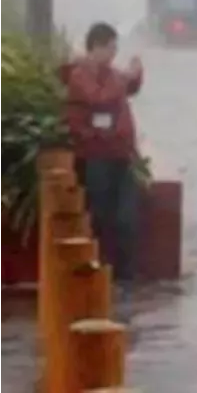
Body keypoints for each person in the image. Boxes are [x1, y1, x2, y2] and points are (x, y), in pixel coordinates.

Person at [61, 22, 145, 283]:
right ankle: (102, 271)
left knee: (127, 217)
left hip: (121, 154)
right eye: (110, 48)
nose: (113, 53)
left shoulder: (111, 74)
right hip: (96, 155)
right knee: (101, 215)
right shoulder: (80, 75)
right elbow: (100, 98)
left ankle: (125, 274)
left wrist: (136, 73)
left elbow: (128, 86)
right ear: (95, 47)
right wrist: (126, 77)